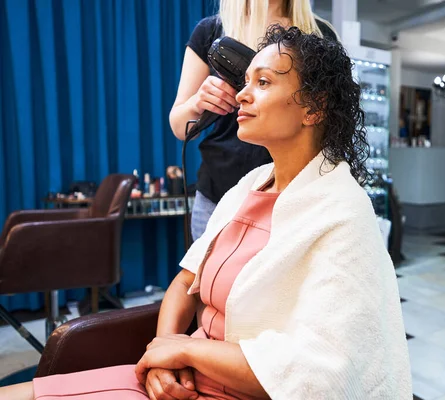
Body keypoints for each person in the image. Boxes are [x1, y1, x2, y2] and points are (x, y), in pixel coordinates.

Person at [1, 26, 411, 400]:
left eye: (263, 82)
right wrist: (164, 354)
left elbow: (321, 371)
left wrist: (186, 349)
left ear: (313, 108)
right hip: (183, 379)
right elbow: (185, 282)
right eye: (245, 81)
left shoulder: (341, 211)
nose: (242, 95)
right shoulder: (246, 188)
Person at [170, 0, 338, 241]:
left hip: (292, 197)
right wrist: (198, 102)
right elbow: (180, 125)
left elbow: (330, 123)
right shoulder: (212, 31)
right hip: (219, 193)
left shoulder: (319, 36)